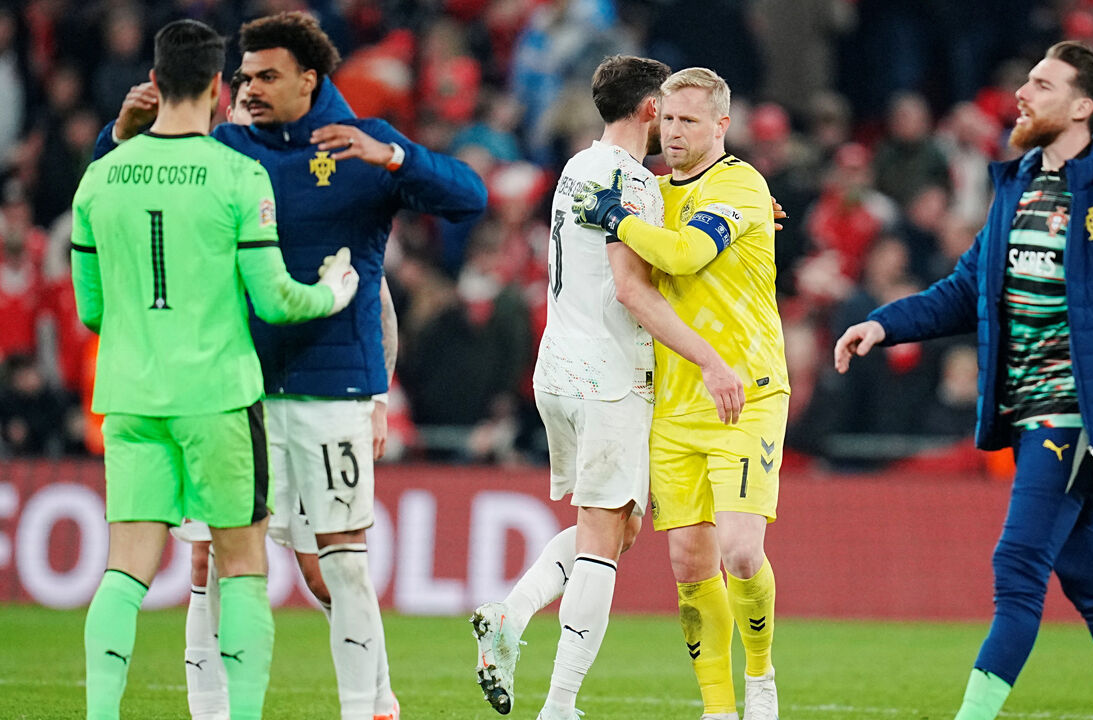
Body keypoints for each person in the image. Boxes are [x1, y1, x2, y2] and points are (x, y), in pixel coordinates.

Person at [97, 12, 487, 720]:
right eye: (243, 76)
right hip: (234, 386)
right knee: (211, 561)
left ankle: (368, 705)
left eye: (266, 76)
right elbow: (119, 189)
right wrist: (119, 134)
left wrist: (397, 160)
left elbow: (469, 198)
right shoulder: (226, 151)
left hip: (332, 388)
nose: (248, 88)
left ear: (310, 79)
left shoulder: (364, 144)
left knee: (337, 562)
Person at [833, 41, 1093, 720]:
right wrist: (885, 325)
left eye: (1041, 83)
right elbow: (965, 289)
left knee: (1017, 566)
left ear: (1082, 105)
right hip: (1028, 408)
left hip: (1075, 412)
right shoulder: (1021, 182)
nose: (1022, 94)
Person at [73, 19, 359, 720]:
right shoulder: (238, 175)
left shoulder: (99, 179)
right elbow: (275, 299)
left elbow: (91, 312)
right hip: (220, 402)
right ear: (214, 88)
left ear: (154, 82)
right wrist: (336, 290)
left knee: (124, 572)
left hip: (133, 398)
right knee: (241, 570)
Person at [468, 55, 744, 720]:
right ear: (651, 109)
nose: (674, 121)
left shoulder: (578, 168)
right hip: (609, 376)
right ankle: (559, 704)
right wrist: (708, 358)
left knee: (617, 530)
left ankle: (512, 613)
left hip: (558, 365)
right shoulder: (632, 185)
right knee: (602, 539)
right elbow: (633, 290)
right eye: (669, 108)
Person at [575, 66, 789, 720]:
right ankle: (718, 709)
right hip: (675, 402)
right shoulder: (655, 193)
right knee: (691, 564)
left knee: (742, 551)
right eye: (667, 119)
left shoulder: (742, 184)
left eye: (690, 121)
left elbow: (687, 255)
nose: (673, 132)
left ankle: (760, 676)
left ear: (722, 125)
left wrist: (615, 215)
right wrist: (626, 213)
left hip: (744, 391)